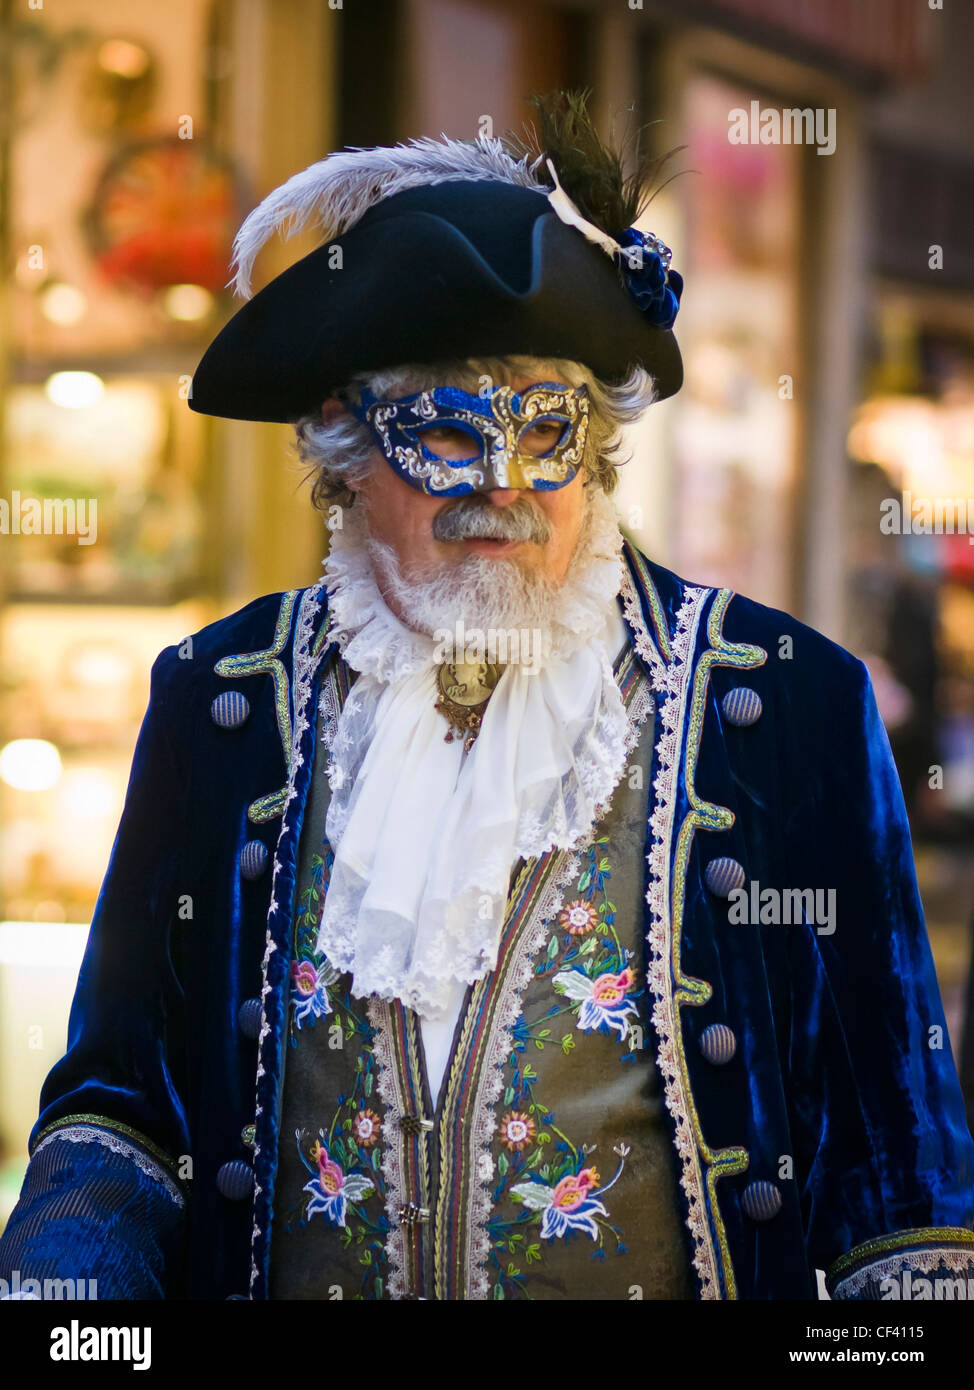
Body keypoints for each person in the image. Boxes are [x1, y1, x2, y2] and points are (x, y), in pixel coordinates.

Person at [2, 93, 972, 1302]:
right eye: (447, 435)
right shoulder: (221, 699)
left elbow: (898, 1185)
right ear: (344, 443)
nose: (502, 484)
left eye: (545, 429)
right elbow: (121, 1110)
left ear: (596, 445)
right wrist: (64, 1301)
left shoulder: (787, 708)